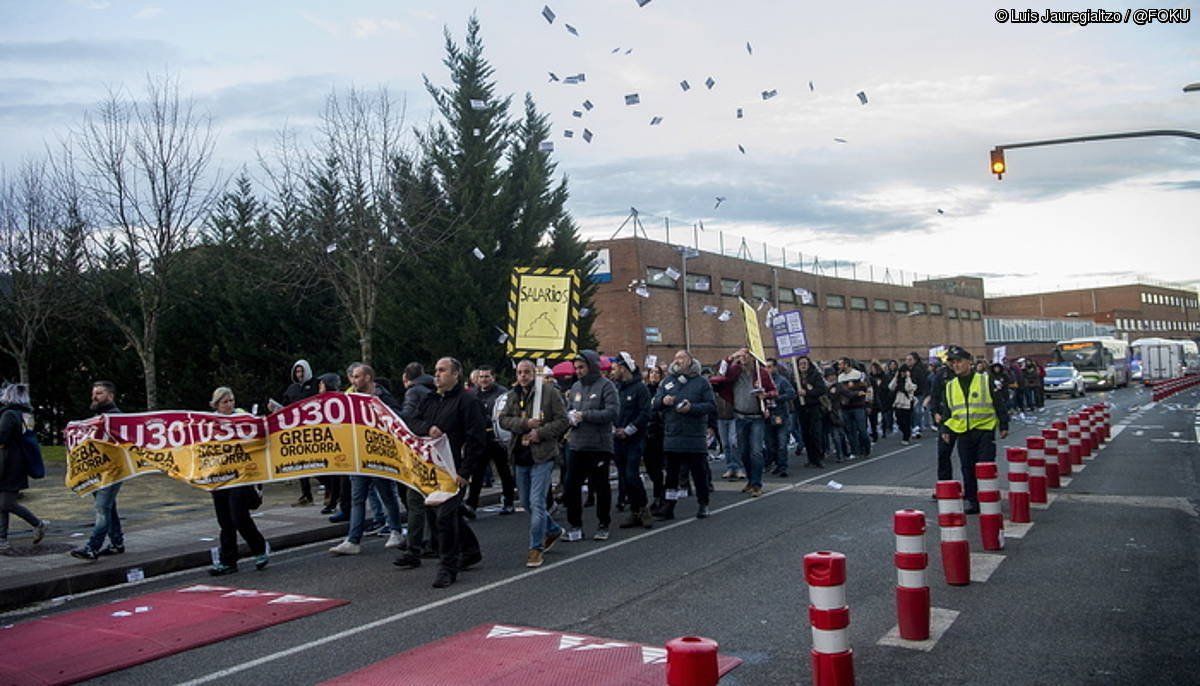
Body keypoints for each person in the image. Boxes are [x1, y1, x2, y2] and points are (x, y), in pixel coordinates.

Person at [400, 357, 483, 589]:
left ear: (456, 374)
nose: (437, 375)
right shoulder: (430, 398)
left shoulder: (467, 401)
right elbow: (412, 421)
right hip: (431, 470)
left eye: (442, 370)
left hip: (454, 470)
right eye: (436, 370)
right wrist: (428, 428)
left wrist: (466, 471)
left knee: (445, 517)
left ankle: (448, 567)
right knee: (443, 515)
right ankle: (471, 550)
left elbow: (477, 439)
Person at [498, 360, 569, 567]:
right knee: (527, 503)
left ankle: (535, 548)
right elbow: (503, 420)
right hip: (521, 455)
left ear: (534, 374)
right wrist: (524, 424)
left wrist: (541, 432)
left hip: (542, 455)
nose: (523, 376)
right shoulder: (513, 395)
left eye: (527, 372)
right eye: (520, 372)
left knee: (537, 501)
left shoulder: (549, 393)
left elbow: (563, 420)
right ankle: (553, 529)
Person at [329, 363, 405, 555]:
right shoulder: (350, 397)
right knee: (357, 498)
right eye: (353, 377)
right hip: (358, 454)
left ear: (368, 378)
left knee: (386, 494)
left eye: (357, 376)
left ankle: (395, 530)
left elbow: (397, 418)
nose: (353, 380)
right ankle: (353, 540)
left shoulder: (383, 397)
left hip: (378, 455)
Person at [936, 346, 1009, 514]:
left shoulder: (984, 380)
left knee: (984, 466)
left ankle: (988, 497)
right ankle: (972, 500)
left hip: (984, 429)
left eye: (959, 361)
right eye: (953, 363)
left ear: (969, 362)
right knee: (967, 467)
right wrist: (945, 429)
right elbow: (948, 410)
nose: (956, 365)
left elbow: (998, 402)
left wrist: (1003, 424)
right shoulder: (950, 386)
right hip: (963, 432)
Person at [206, 387, 269, 575]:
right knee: (225, 521)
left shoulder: (243, 417)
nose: (230, 404)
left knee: (238, 516)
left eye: (231, 400)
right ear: (216, 404)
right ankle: (228, 561)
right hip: (219, 478)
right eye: (225, 402)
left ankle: (259, 549)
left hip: (241, 476)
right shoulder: (209, 423)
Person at [652, 350, 718, 519]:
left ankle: (703, 504)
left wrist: (692, 408)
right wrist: (663, 401)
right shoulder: (667, 381)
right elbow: (655, 403)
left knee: (699, 474)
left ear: (690, 361)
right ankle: (669, 506)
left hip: (694, 436)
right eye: (676, 358)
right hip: (673, 435)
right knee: (671, 476)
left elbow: (710, 405)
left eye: (681, 358)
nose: (678, 361)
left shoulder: (701, 383)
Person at [563, 350, 619, 541]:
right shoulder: (576, 387)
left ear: (592, 366)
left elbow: (612, 412)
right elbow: (570, 409)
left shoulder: (607, 386)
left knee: (601, 486)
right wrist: (570, 416)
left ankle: (603, 523)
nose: (578, 371)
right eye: (576, 368)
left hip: (599, 445)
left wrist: (585, 415)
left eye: (581, 367)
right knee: (571, 486)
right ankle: (575, 525)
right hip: (577, 445)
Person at [70, 381, 125, 561]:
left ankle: (92, 547)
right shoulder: (98, 417)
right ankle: (117, 543)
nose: (94, 397)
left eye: (99, 393)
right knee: (109, 507)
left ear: (110, 396)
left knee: (102, 508)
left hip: (111, 471)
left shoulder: (115, 418)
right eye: (94, 393)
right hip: (99, 470)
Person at [710, 348, 776, 497]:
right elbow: (721, 373)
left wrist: (765, 395)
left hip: (756, 418)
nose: (743, 357)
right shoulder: (735, 371)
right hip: (740, 417)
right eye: (742, 355)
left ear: (753, 357)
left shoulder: (761, 373)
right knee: (744, 452)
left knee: (756, 452)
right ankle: (751, 481)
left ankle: (757, 484)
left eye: (747, 354)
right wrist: (730, 357)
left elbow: (774, 391)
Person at [0, 383, 47, 552]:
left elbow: (2, 438)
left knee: (6, 503)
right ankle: (2, 538)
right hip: (19, 462)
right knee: (3, 502)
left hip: (7, 463)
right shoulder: (26, 415)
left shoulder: (8, 415)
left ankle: (38, 523)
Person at [608, 352, 653, 529]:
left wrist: (629, 430)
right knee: (624, 477)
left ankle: (643, 508)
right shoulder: (616, 388)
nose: (612, 372)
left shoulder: (640, 389)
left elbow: (645, 413)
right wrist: (613, 428)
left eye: (614, 368)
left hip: (634, 438)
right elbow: (611, 410)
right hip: (618, 439)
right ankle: (634, 512)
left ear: (623, 368)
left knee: (632, 474)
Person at [398, 362, 437, 560]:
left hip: (419, 452)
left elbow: (407, 418)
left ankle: (413, 548)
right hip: (434, 451)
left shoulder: (413, 392)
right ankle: (433, 542)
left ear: (406, 378)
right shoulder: (432, 390)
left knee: (415, 501)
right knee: (431, 500)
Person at [466, 365, 515, 517]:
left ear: (493, 377)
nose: (484, 380)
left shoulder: (502, 394)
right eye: (481, 377)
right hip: (480, 439)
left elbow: (503, 415)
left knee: (503, 471)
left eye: (487, 376)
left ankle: (508, 502)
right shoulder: (473, 394)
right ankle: (471, 505)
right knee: (477, 473)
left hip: (496, 439)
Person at [280, 360, 319, 506]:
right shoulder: (292, 389)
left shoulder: (316, 384)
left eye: (302, 371)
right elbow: (285, 406)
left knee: (316, 462)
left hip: (313, 429)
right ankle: (306, 494)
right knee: (301, 464)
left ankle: (331, 490)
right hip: (297, 430)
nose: (300, 374)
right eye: (297, 372)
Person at [764, 358, 796, 478]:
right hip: (768, 416)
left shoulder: (782, 381)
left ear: (775, 367)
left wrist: (777, 397)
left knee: (782, 443)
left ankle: (783, 467)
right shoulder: (761, 382)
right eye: (766, 367)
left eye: (770, 366)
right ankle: (776, 464)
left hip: (780, 414)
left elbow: (791, 393)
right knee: (771, 444)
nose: (768, 369)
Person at [838, 358, 871, 459]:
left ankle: (866, 448)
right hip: (846, 407)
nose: (839, 366)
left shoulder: (858, 374)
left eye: (841, 364)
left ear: (847, 364)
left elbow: (867, 389)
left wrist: (869, 404)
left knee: (862, 429)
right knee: (850, 430)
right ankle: (855, 450)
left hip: (859, 406)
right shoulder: (840, 377)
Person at [889, 366, 918, 445]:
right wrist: (895, 377)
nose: (902, 374)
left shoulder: (911, 380)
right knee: (899, 420)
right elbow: (891, 387)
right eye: (901, 372)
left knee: (906, 421)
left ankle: (906, 437)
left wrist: (908, 378)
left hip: (907, 403)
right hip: (898, 403)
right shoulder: (898, 380)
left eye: (904, 372)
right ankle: (906, 432)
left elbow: (908, 388)